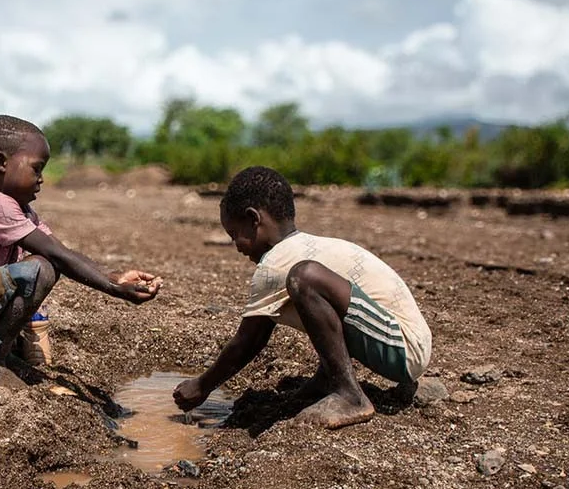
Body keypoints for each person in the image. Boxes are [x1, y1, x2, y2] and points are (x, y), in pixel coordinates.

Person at [173, 166, 432, 428]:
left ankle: (350, 396)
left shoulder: (277, 263)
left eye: (234, 234)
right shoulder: (303, 246)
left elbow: (249, 340)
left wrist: (202, 385)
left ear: (254, 220)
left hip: (403, 348)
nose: (236, 246)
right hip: (402, 339)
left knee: (304, 278)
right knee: (307, 289)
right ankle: (330, 378)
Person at [0, 114, 162, 382]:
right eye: (36, 168)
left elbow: (59, 248)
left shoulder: (18, 208)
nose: (42, 179)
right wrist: (113, 288)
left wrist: (114, 275)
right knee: (42, 268)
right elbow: (55, 256)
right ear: (0, 162)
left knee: (44, 263)